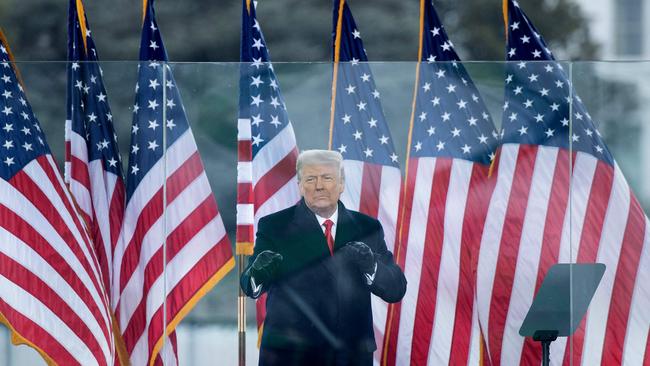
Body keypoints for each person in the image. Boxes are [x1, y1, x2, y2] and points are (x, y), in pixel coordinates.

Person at [241, 149, 407, 366]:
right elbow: (250, 285)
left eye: (327, 178)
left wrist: (372, 266)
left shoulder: (367, 227)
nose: (319, 186)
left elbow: (396, 289)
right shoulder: (275, 226)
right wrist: (257, 272)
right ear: (300, 186)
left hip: (350, 356)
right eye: (310, 178)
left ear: (341, 184)